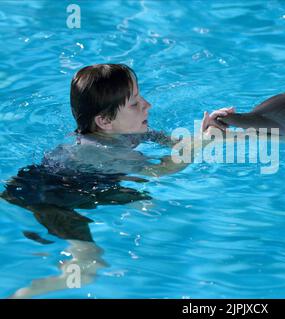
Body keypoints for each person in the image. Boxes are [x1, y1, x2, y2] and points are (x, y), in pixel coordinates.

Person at [1, 63, 235, 298]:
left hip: (78, 185)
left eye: (140, 96)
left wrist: (206, 130)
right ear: (104, 121)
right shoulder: (104, 151)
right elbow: (160, 170)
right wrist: (202, 143)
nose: (147, 105)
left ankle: (41, 245)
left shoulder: (132, 130)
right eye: (134, 103)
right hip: (50, 197)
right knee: (89, 264)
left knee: (139, 199)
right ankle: (24, 294)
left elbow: (178, 145)